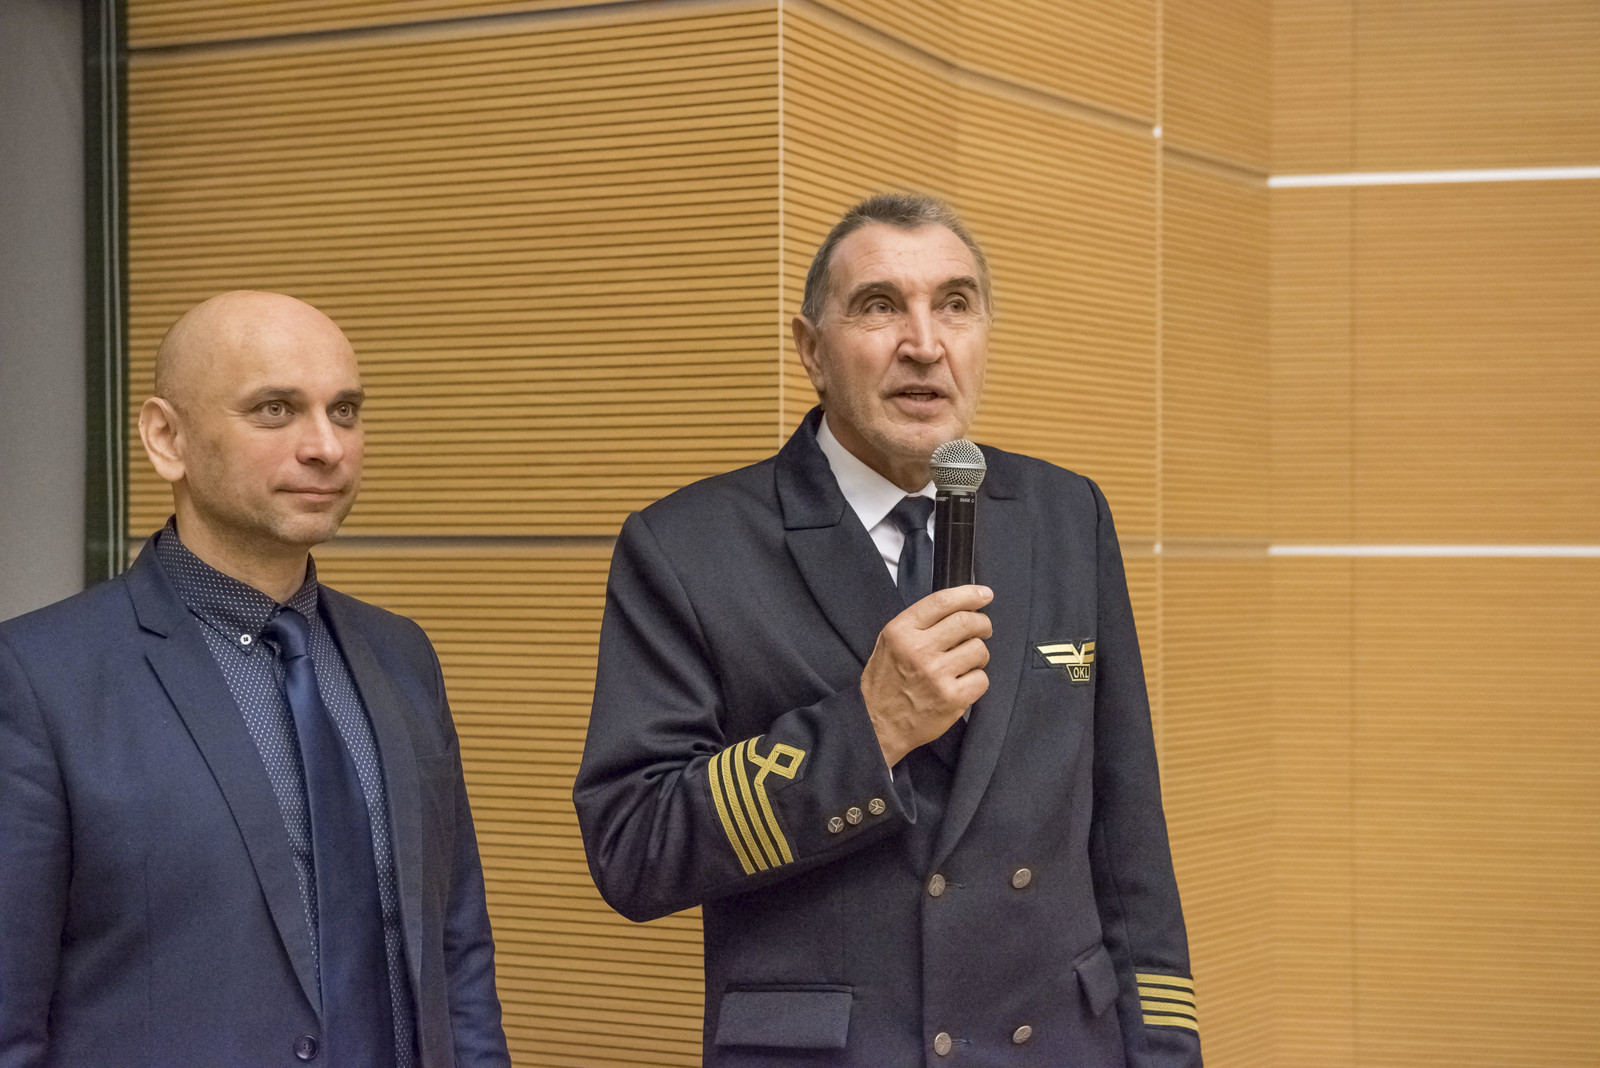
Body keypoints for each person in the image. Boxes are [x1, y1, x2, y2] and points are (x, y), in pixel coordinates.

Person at [574, 194, 1201, 1065]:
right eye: (879, 306)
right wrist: (866, 730)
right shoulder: (689, 546)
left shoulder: (1066, 515)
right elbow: (633, 845)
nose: (924, 343)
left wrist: (1166, 1050)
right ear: (811, 350)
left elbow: (1129, 837)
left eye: (955, 304)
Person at [0, 292, 511, 1067]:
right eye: (276, 410)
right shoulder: (38, 679)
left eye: (345, 411)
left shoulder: (402, 656)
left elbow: (457, 951)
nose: (326, 447)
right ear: (166, 438)